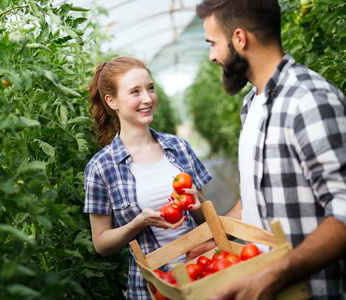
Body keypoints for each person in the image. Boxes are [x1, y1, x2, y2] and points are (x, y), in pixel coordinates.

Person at [194, 0, 346, 299]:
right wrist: (217, 238)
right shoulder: (252, 106)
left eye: (213, 43)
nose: (212, 56)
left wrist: (273, 276)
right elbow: (256, 199)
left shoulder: (308, 100)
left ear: (240, 38)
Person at [83, 57, 212, 299]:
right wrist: (138, 222)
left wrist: (197, 204)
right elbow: (101, 244)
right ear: (112, 102)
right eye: (135, 91)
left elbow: (207, 221)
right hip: (154, 285)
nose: (147, 98)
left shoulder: (179, 147)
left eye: (150, 88)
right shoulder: (100, 168)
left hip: (203, 269)